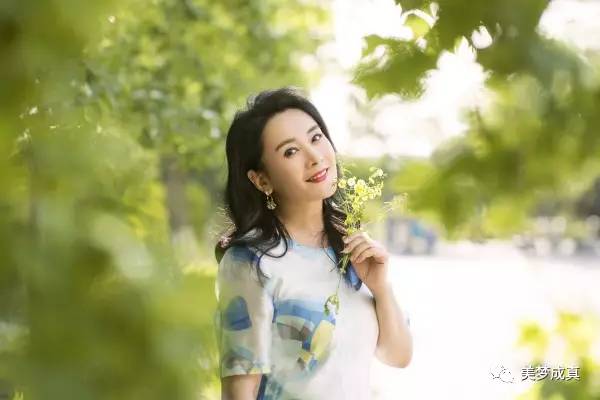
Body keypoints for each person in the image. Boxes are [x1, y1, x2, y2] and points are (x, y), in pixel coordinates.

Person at [214, 87, 413, 400]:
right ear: (261, 180)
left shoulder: (350, 249)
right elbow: (239, 392)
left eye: (316, 138)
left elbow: (397, 356)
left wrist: (380, 288)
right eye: (290, 152)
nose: (315, 157)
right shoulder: (251, 262)